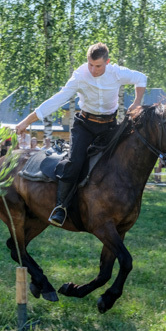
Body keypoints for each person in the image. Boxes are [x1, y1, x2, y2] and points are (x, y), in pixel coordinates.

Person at [15, 42, 147, 227]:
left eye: (98, 66)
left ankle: (120, 204)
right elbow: (57, 100)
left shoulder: (117, 73)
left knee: (119, 161)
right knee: (74, 162)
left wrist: (137, 102)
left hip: (110, 126)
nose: (93, 70)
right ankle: (61, 207)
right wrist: (26, 122)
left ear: (107, 62)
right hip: (84, 125)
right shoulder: (79, 75)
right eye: (90, 64)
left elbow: (141, 78)